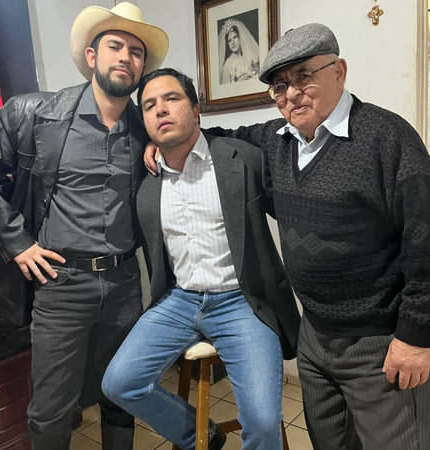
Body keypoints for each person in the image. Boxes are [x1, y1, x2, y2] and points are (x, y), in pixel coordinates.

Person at [145, 23, 430, 450]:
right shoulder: (276, 141)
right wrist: (163, 144)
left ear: (339, 71)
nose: (291, 93)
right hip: (313, 336)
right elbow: (219, 139)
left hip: (380, 339)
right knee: (328, 442)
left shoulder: (386, 136)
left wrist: (415, 337)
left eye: (304, 76)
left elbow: (424, 240)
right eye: (280, 86)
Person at [0, 3, 168, 450]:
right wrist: (17, 242)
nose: (125, 57)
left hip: (124, 283)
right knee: (51, 408)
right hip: (60, 283)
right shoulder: (33, 113)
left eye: (136, 52)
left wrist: (159, 146)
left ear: (142, 68)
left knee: (121, 394)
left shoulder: (145, 127)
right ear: (91, 55)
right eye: (115, 46)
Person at [102, 68, 300, 450]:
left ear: (195, 109)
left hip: (242, 302)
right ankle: (201, 435)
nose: (160, 109)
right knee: (119, 383)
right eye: (149, 105)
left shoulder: (242, 159)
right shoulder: (144, 180)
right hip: (179, 300)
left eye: (171, 99)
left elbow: (293, 206)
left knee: (262, 423)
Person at [219, 18, 259, 84]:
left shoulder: (249, 56)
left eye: (235, 37)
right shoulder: (227, 66)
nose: (233, 42)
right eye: (229, 40)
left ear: (240, 37)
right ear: (227, 44)